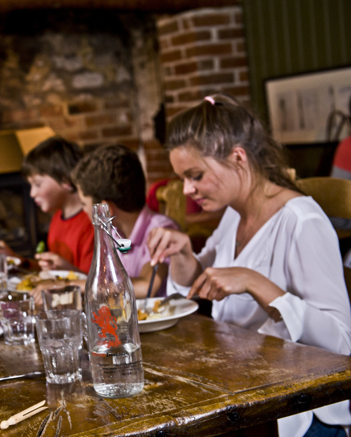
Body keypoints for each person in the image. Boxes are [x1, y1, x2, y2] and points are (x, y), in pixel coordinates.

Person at [147, 94, 351, 437]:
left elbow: (342, 341)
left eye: (195, 175)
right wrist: (182, 255)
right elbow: (205, 283)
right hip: (242, 394)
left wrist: (257, 283)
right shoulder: (232, 214)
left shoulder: (302, 222)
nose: (187, 189)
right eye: (183, 177)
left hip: (296, 412)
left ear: (238, 157)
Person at [71, 144, 179, 298]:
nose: (83, 210)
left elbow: (146, 286)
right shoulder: (113, 234)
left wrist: (68, 285)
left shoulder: (161, 229)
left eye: (83, 204)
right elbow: (107, 284)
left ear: (105, 208)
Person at [0, 136, 94, 273]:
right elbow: (51, 271)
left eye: (37, 184)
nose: (32, 193)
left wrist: (68, 271)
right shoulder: (58, 218)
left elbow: (95, 284)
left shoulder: (89, 224)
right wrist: (14, 258)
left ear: (65, 180)